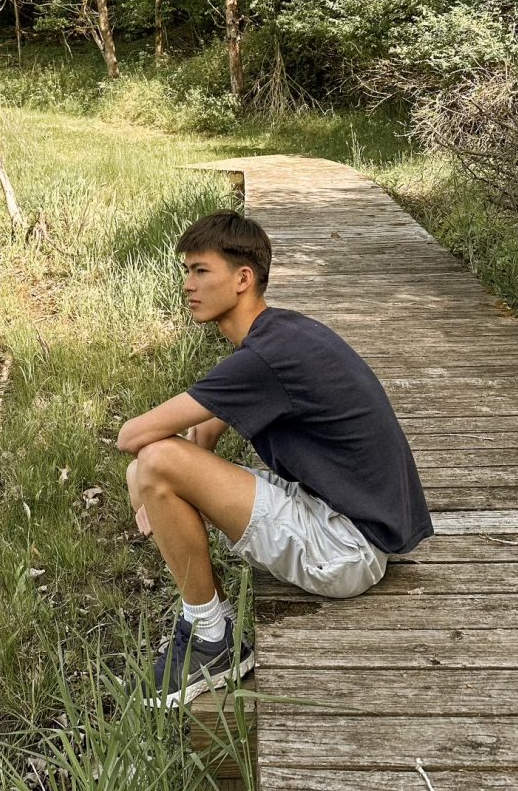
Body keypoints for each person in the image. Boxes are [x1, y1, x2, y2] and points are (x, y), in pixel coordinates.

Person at [117, 210, 433, 708]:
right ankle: (205, 620)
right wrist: (169, 498)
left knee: (153, 460)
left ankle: (211, 640)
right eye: (186, 271)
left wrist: (158, 489)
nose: (188, 285)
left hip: (346, 547)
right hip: (353, 522)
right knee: (153, 469)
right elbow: (209, 422)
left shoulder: (267, 356)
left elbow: (132, 434)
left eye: (201, 271)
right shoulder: (279, 334)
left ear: (243, 279)